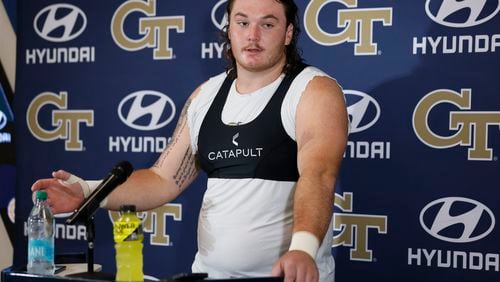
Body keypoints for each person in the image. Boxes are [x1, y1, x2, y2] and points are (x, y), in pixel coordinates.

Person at [31, 0, 348, 281]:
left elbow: (318, 175)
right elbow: (161, 179)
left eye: (267, 24)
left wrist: (303, 249)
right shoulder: (205, 95)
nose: (253, 35)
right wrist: (88, 192)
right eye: (242, 22)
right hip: (208, 274)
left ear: (288, 33)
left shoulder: (314, 90)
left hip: (286, 277)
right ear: (229, 28)